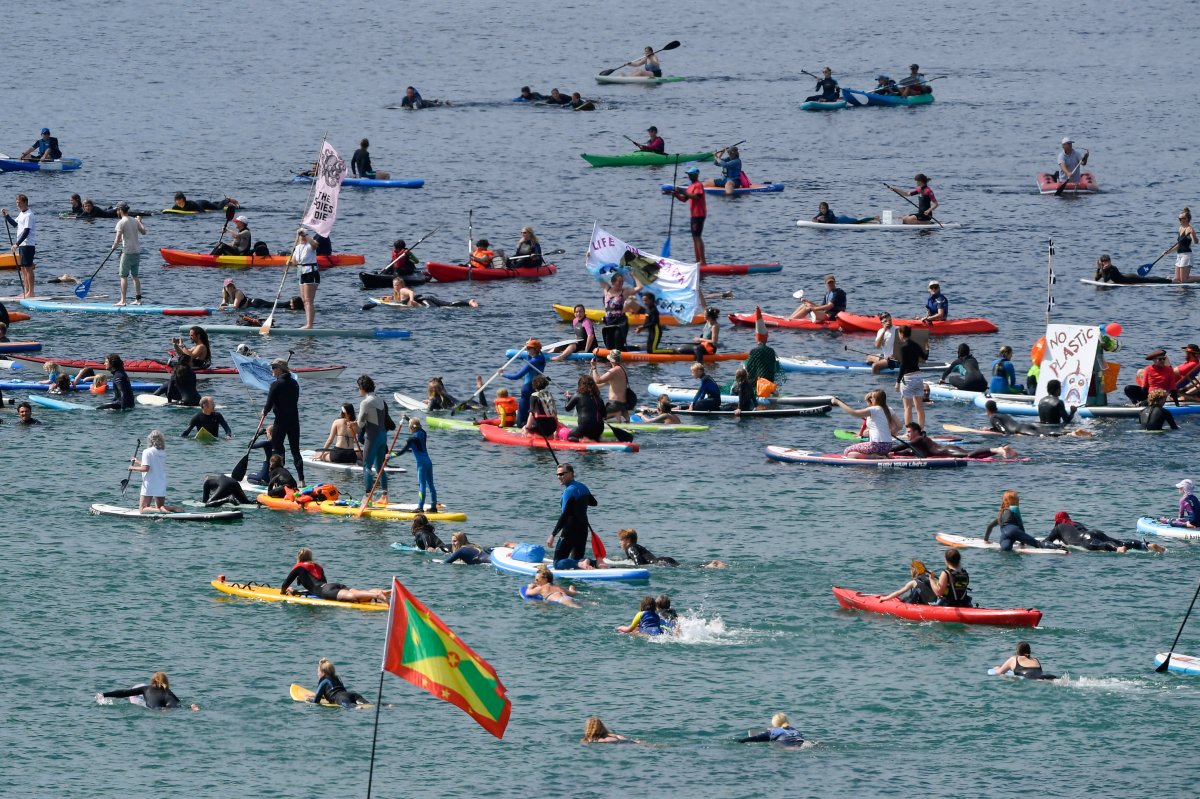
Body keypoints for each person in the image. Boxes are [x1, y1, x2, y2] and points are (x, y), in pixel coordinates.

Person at [280, 547, 389, 603]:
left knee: (353, 597)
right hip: (332, 586)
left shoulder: (299, 567)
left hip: (325, 590)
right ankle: (384, 592)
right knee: (357, 592)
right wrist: (297, 592)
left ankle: (377, 595)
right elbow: (321, 584)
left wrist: (283, 592)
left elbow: (285, 584)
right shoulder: (318, 566)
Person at [262, 358, 304, 485]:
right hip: (294, 421)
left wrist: (264, 411)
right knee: (295, 451)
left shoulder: (275, 384)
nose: (272, 370)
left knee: (276, 450)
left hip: (280, 422)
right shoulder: (295, 383)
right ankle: (302, 480)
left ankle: (275, 481)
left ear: (280, 369)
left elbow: (268, 405)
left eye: (274, 367)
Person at [546, 463, 597, 564]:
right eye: (557, 475)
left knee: (557, 563)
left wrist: (553, 534)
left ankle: (587, 563)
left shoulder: (569, 491)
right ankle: (593, 563)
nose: (558, 477)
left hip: (570, 530)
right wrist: (579, 504)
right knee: (577, 560)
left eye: (561, 474)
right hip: (583, 529)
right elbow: (594, 503)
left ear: (571, 473)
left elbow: (565, 515)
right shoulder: (583, 487)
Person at [983, 490, 1065, 552]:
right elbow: (1020, 526)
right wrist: (1022, 541)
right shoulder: (1014, 508)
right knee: (1038, 544)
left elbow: (990, 526)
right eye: (1017, 497)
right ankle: (1059, 547)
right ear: (1014, 500)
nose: (1019, 499)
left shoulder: (1000, 514)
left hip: (1004, 535)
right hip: (1014, 531)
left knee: (1006, 548)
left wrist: (986, 540)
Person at [1044, 511, 1164, 553]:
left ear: (1057, 521)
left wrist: (1057, 546)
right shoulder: (1076, 523)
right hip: (1094, 531)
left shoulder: (1058, 528)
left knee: (1100, 545)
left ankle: (1117, 549)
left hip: (1084, 539)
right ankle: (1145, 545)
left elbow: (1046, 542)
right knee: (1120, 541)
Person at [890, 423, 1017, 461]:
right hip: (947, 449)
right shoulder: (918, 441)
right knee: (969, 453)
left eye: (909, 432)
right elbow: (908, 450)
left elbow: (903, 446)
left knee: (968, 455)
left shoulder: (919, 439)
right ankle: (1000, 450)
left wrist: (887, 450)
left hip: (946, 450)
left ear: (917, 432)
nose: (907, 435)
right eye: (907, 432)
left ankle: (997, 449)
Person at [831, 389, 900, 458]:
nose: (870, 399)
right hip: (888, 447)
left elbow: (854, 413)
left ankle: (874, 457)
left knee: (847, 452)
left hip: (876, 446)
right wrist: (892, 432)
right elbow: (900, 426)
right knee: (858, 450)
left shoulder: (873, 409)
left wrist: (838, 402)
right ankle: (883, 455)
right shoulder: (889, 409)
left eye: (871, 397)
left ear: (876, 399)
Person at [128, 430, 181, 513]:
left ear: (150, 440)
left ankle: (160, 510)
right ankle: (172, 508)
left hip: (150, 482)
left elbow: (146, 468)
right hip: (161, 482)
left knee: (142, 509)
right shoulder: (163, 453)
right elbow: (153, 465)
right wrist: (138, 462)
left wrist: (132, 468)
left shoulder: (147, 451)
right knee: (160, 505)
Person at [356, 374, 389, 505]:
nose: (358, 390)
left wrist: (353, 424)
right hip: (383, 436)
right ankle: (385, 496)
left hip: (373, 437)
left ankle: (367, 497)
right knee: (380, 466)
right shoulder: (380, 399)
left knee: (367, 467)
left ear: (362, 388)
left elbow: (360, 425)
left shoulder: (365, 402)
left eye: (358, 388)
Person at [664, 166, 707, 264]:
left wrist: (682, 191)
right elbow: (684, 199)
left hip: (699, 214)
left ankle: (703, 262)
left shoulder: (698, 185)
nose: (689, 176)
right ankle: (697, 261)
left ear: (696, 175)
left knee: (697, 237)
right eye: (688, 175)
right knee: (694, 238)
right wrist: (676, 195)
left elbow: (696, 196)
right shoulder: (691, 186)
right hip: (694, 215)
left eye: (691, 175)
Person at [500, 338, 546, 428]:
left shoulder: (532, 363)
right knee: (532, 409)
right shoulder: (541, 358)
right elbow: (531, 358)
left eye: (529, 348)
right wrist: (528, 345)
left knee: (520, 422)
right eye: (526, 348)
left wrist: (502, 374)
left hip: (527, 389)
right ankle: (531, 423)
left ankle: (524, 426)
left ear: (535, 349)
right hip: (537, 388)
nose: (527, 350)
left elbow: (517, 376)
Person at [98, 672, 198, 711]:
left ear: (152, 681)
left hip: (155, 705)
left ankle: (163, 711)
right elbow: (178, 702)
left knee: (157, 709)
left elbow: (125, 692)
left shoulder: (145, 689)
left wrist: (105, 694)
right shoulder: (168, 691)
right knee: (179, 707)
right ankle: (193, 707)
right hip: (170, 701)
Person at [396, 418, 437, 513]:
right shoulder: (423, 433)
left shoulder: (411, 440)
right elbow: (415, 424)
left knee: (422, 485)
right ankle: (433, 507)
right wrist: (407, 419)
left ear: (411, 427)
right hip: (429, 462)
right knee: (430, 485)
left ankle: (420, 507)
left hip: (421, 464)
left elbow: (401, 452)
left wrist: (389, 456)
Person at [2, 194, 37, 298]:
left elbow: (26, 231)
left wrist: (16, 244)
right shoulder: (21, 214)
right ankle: (26, 291)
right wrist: (7, 216)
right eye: (17, 203)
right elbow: (14, 224)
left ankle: (31, 292)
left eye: (19, 203)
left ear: (25, 203)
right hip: (22, 245)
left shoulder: (29, 215)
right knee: (23, 269)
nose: (17, 205)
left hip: (28, 245)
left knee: (28, 268)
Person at [111, 205, 147, 306]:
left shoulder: (121, 222)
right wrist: (140, 221)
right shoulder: (134, 221)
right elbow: (144, 232)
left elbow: (118, 237)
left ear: (120, 211)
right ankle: (138, 300)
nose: (117, 212)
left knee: (123, 276)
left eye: (117, 210)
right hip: (137, 252)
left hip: (127, 253)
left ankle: (123, 301)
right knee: (135, 276)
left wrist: (114, 247)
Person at [894, 325, 928, 429]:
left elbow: (903, 365)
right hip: (918, 377)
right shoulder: (916, 345)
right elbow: (925, 357)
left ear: (901, 334)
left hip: (908, 378)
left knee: (907, 407)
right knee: (919, 407)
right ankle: (921, 430)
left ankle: (909, 431)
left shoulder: (903, 348)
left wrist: (898, 381)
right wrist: (927, 348)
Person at [601, 273, 638, 350]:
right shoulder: (607, 289)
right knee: (609, 347)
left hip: (620, 322)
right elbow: (598, 276)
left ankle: (635, 350)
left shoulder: (624, 292)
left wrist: (633, 275)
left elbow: (640, 287)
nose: (621, 283)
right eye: (619, 281)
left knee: (618, 347)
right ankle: (635, 348)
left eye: (622, 281)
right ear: (613, 282)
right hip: (609, 322)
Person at [386, 277, 477, 308]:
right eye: (394, 285)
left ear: (401, 285)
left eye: (397, 285)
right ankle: (468, 302)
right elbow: (400, 299)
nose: (395, 287)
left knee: (447, 305)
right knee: (446, 306)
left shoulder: (402, 290)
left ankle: (469, 302)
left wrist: (412, 300)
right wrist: (390, 298)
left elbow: (411, 292)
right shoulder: (398, 293)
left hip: (427, 299)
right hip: (425, 300)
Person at [592, 349, 631, 421]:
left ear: (612, 360)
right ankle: (625, 417)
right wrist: (591, 388)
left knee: (596, 418)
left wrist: (594, 367)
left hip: (615, 405)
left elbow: (598, 380)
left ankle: (616, 414)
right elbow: (605, 383)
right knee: (627, 420)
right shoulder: (622, 369)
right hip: (623, 404)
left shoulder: (614, 370)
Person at [564, 375, 605, 442]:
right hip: (599, 429)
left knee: (570, 437)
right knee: (593, 433)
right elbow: (604, 414)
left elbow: (567, 408)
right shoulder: (598, 398)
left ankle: (585, 440)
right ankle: (597, 438)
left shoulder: (577, 395)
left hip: (585, 428)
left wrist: (568, 398)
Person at [292, 229, 319, 329]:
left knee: (308, 300)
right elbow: (294, 262)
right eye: (301, 236)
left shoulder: (310, 245)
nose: (303, 237)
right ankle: (307, 323)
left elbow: (315, 245)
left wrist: (305, 235)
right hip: (301, 273)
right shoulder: (297, 247)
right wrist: (289, 263)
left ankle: (309, 325)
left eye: (304, 235)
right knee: (304, 300)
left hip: (311, 273)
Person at [1092, 253, 1172, 285]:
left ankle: (1168, 280)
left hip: (1131, 278)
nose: (1106, 263)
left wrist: (1102, 269)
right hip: (1127, 277)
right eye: (1104, 262)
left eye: (1107, 261)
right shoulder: (1104, 269)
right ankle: (1166, 279)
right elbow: (1096, 279)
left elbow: (1105, 280)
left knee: (1149, 279)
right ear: (1102, 262)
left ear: (1110, 261)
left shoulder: (1113, 269)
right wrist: (1098, 268)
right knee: (1148, 279)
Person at [1166, 208, 1199, 283]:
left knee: (1184, 280)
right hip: (1179, 256)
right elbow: (1178, 245)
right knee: (1177, 279)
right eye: (1179, 218)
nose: (1179, 220)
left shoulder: (1189, 229)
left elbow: (1196, 242)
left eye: (1181, 219)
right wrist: (1168, 252)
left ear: (1186, 219)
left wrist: (1193, 234)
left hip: (1186, 256)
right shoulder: (1180, 228)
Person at [992, 642, 1057, 680]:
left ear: (1018, 651)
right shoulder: (1035, 659)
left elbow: (999, 672)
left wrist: (997, 668)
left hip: (1032, 679)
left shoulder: (1014, 659)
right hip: (1048, 677)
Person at [738, 713, 806, 746]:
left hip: (788, 747)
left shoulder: (774, 731)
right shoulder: (796, 730)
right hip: (803, 744)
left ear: (774, 724)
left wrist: (742, 741)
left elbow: (757, 738)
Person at [171, 192, 237, 213]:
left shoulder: (191, 204)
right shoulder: (176, 206)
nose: (178, 202)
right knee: (213, 204)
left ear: (184, 199)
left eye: (180, 200)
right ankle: (223, 202)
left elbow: (202, 211)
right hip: (198, 202)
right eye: (177, 200)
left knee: (218, 208)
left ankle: (227, 200)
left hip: (203, 204)